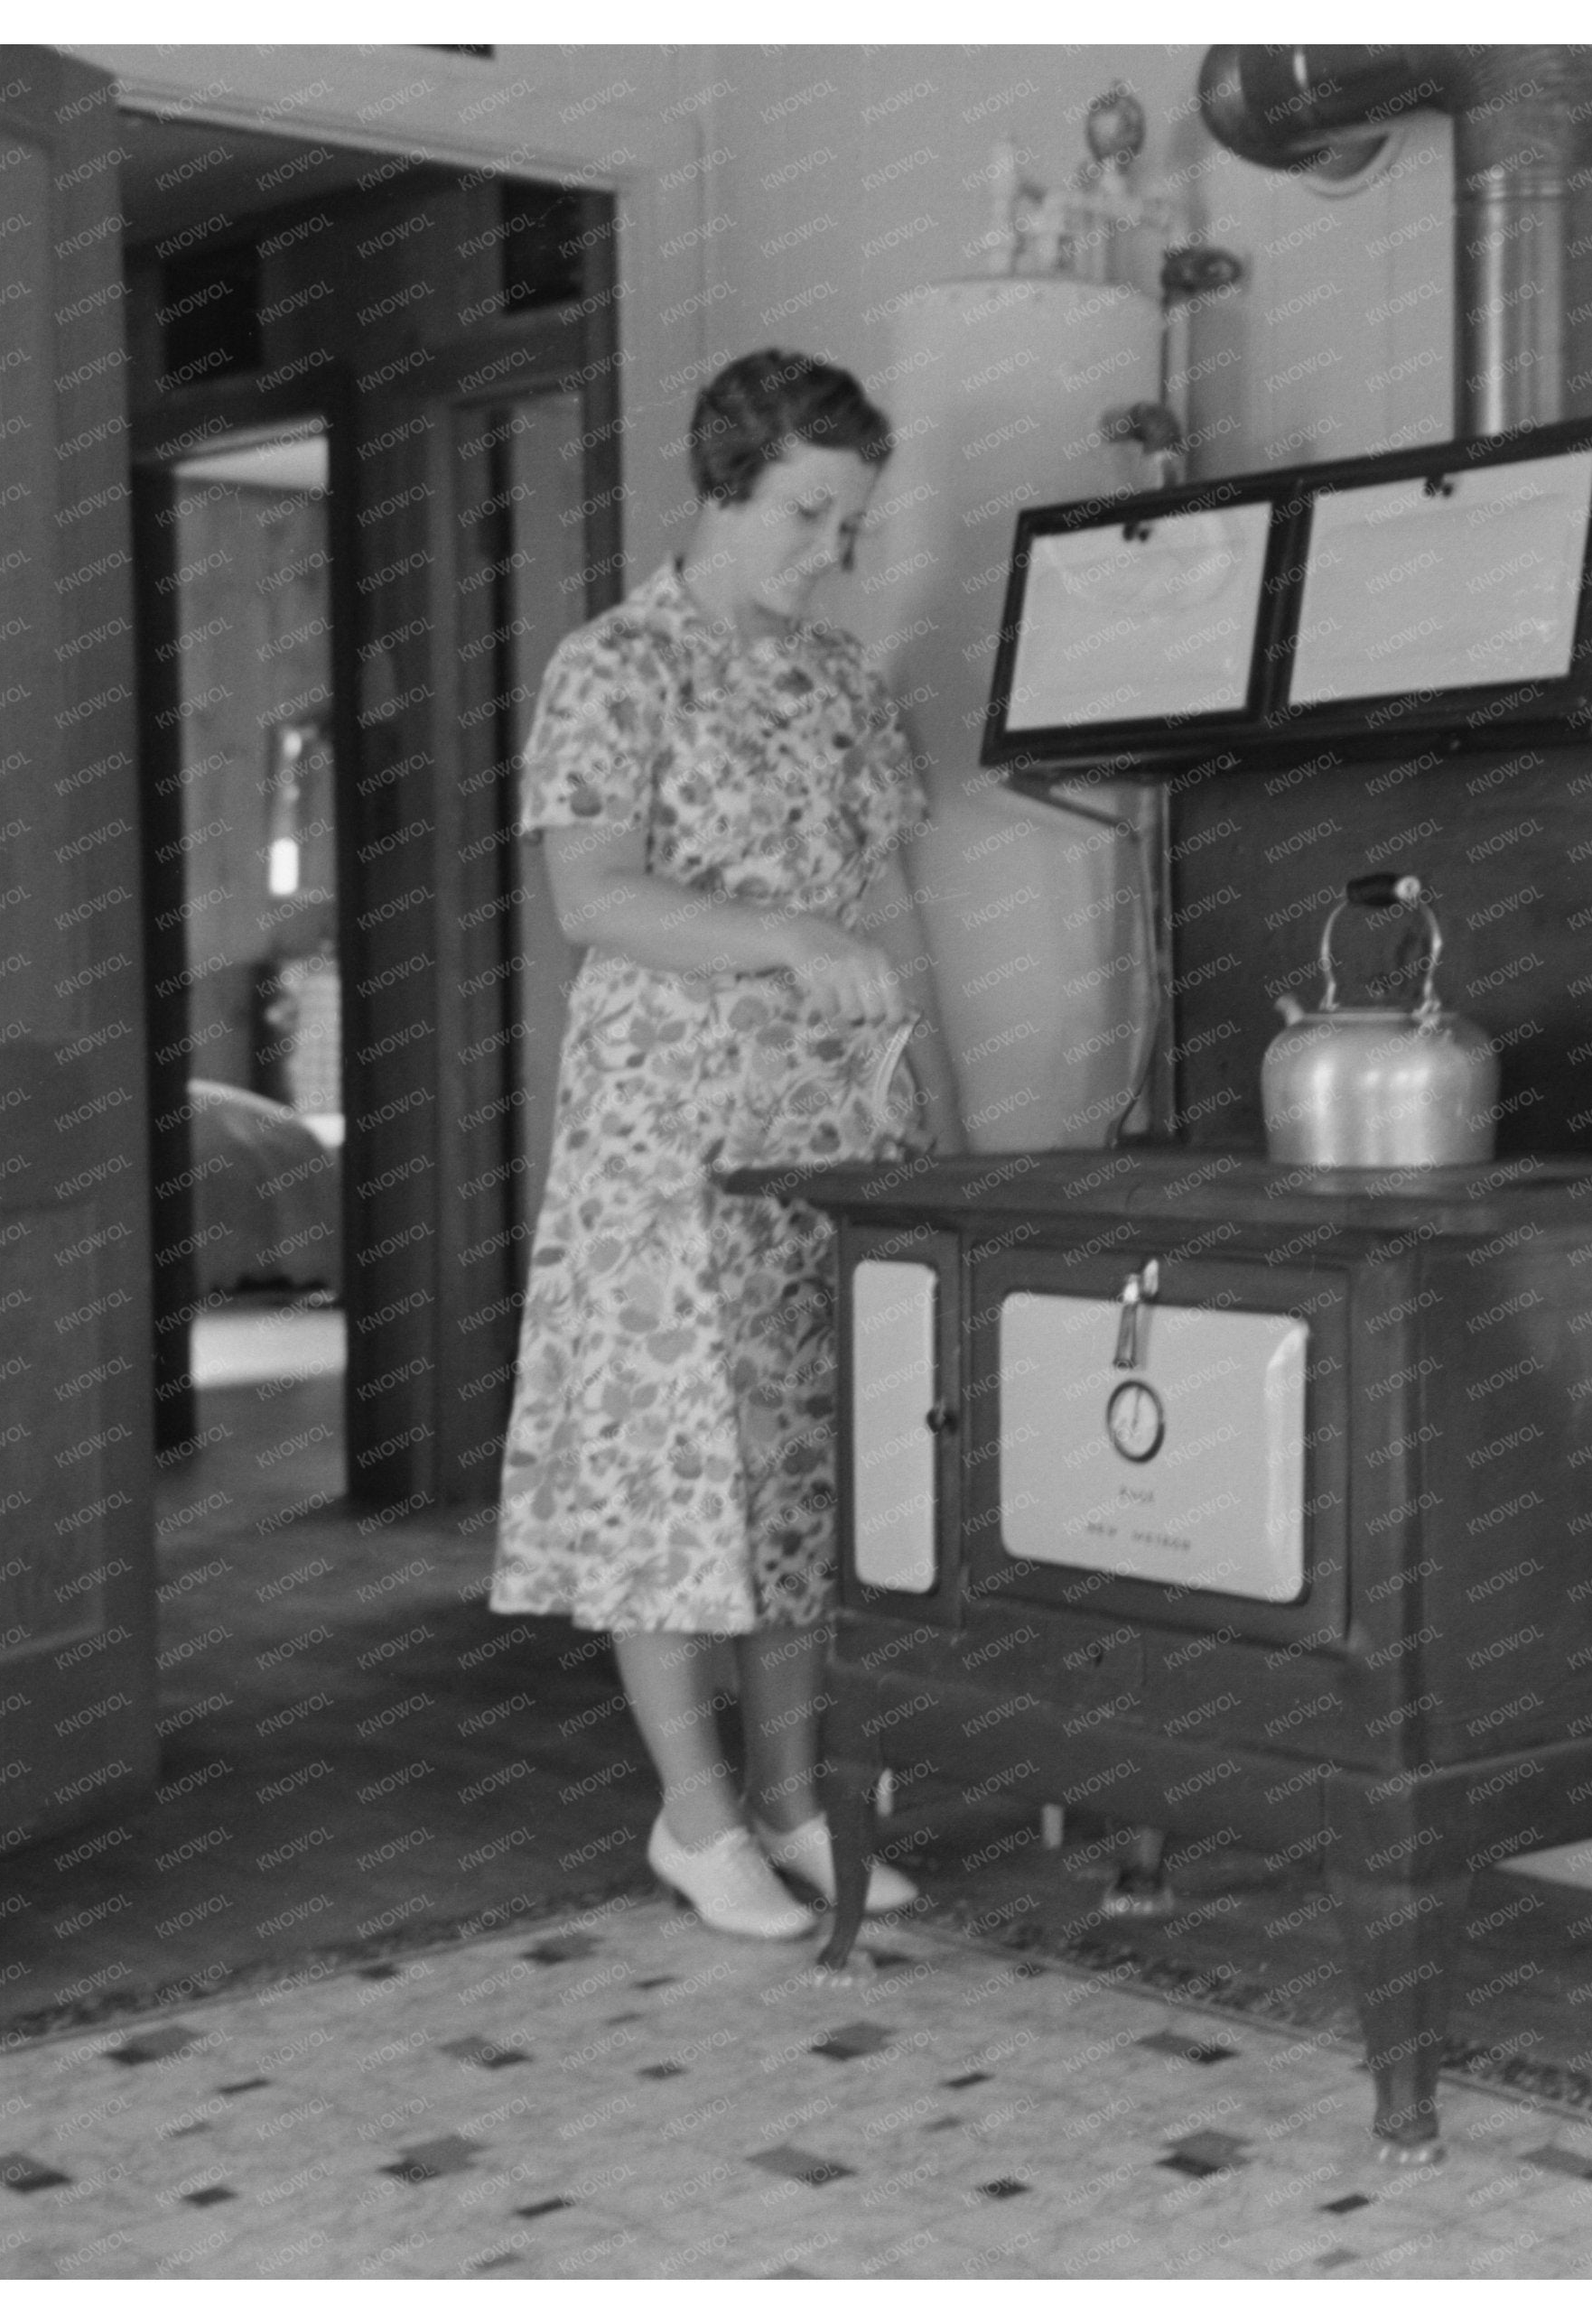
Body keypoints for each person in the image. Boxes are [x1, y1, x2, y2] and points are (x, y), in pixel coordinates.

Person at [491, 349, 965, 1940]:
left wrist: (945, 1129)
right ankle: (695, 1820)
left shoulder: (843, 684)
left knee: (807, 1469)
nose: (831, 550)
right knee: (676, 1469)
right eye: (807, 513)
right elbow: (594, 897)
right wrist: (780, 935)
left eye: (850, 523)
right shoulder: (612, 666)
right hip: (669, 1131)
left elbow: (890, 910)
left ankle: (794, 1801)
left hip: (836, 1130)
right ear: (722, 484)